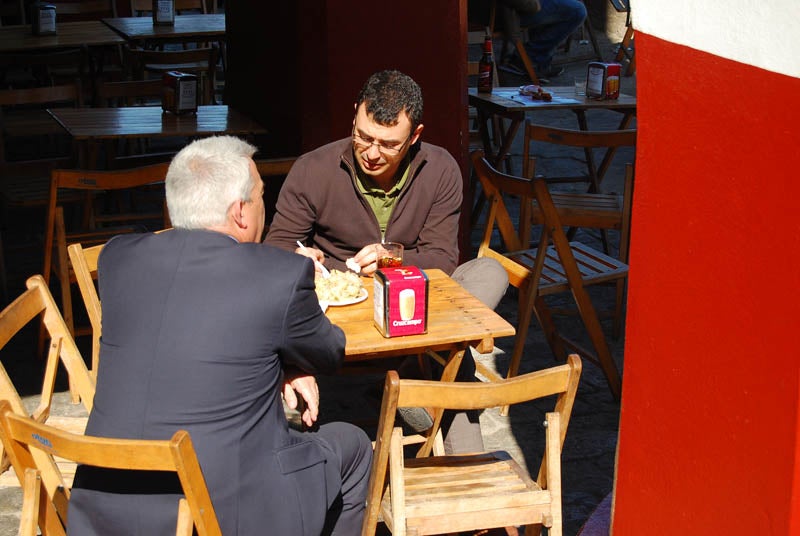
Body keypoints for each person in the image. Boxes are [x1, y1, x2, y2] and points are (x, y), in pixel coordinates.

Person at [67, 136, 372, 535]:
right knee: (353, 444)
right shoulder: (278, 274)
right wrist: (289, 357)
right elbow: (330, 352)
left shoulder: (117, 260)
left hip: (104, 508)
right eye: (263, 194)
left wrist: (273, 359)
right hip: (224, 513)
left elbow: (187, 328)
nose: (267, 204)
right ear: (240, 212)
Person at [265, 70, 509, 454]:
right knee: (457, 363)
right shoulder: (314, 169)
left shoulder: (440, 169)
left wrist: (392, 258)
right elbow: (275, 246)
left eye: (388, 144)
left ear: (415, 137)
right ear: (354, 118)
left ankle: (417, 362)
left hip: (413, 301)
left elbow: (443, 259)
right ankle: (425, 373)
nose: (372, 153)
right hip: (343, 308)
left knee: (490, 272)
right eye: (363, 137)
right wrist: (298, 257)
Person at [509, 0, 587, 80]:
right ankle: (528, 57)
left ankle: (538, 60)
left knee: (567, 6)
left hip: (517, 8)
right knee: (578, 11)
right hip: (514, 10)